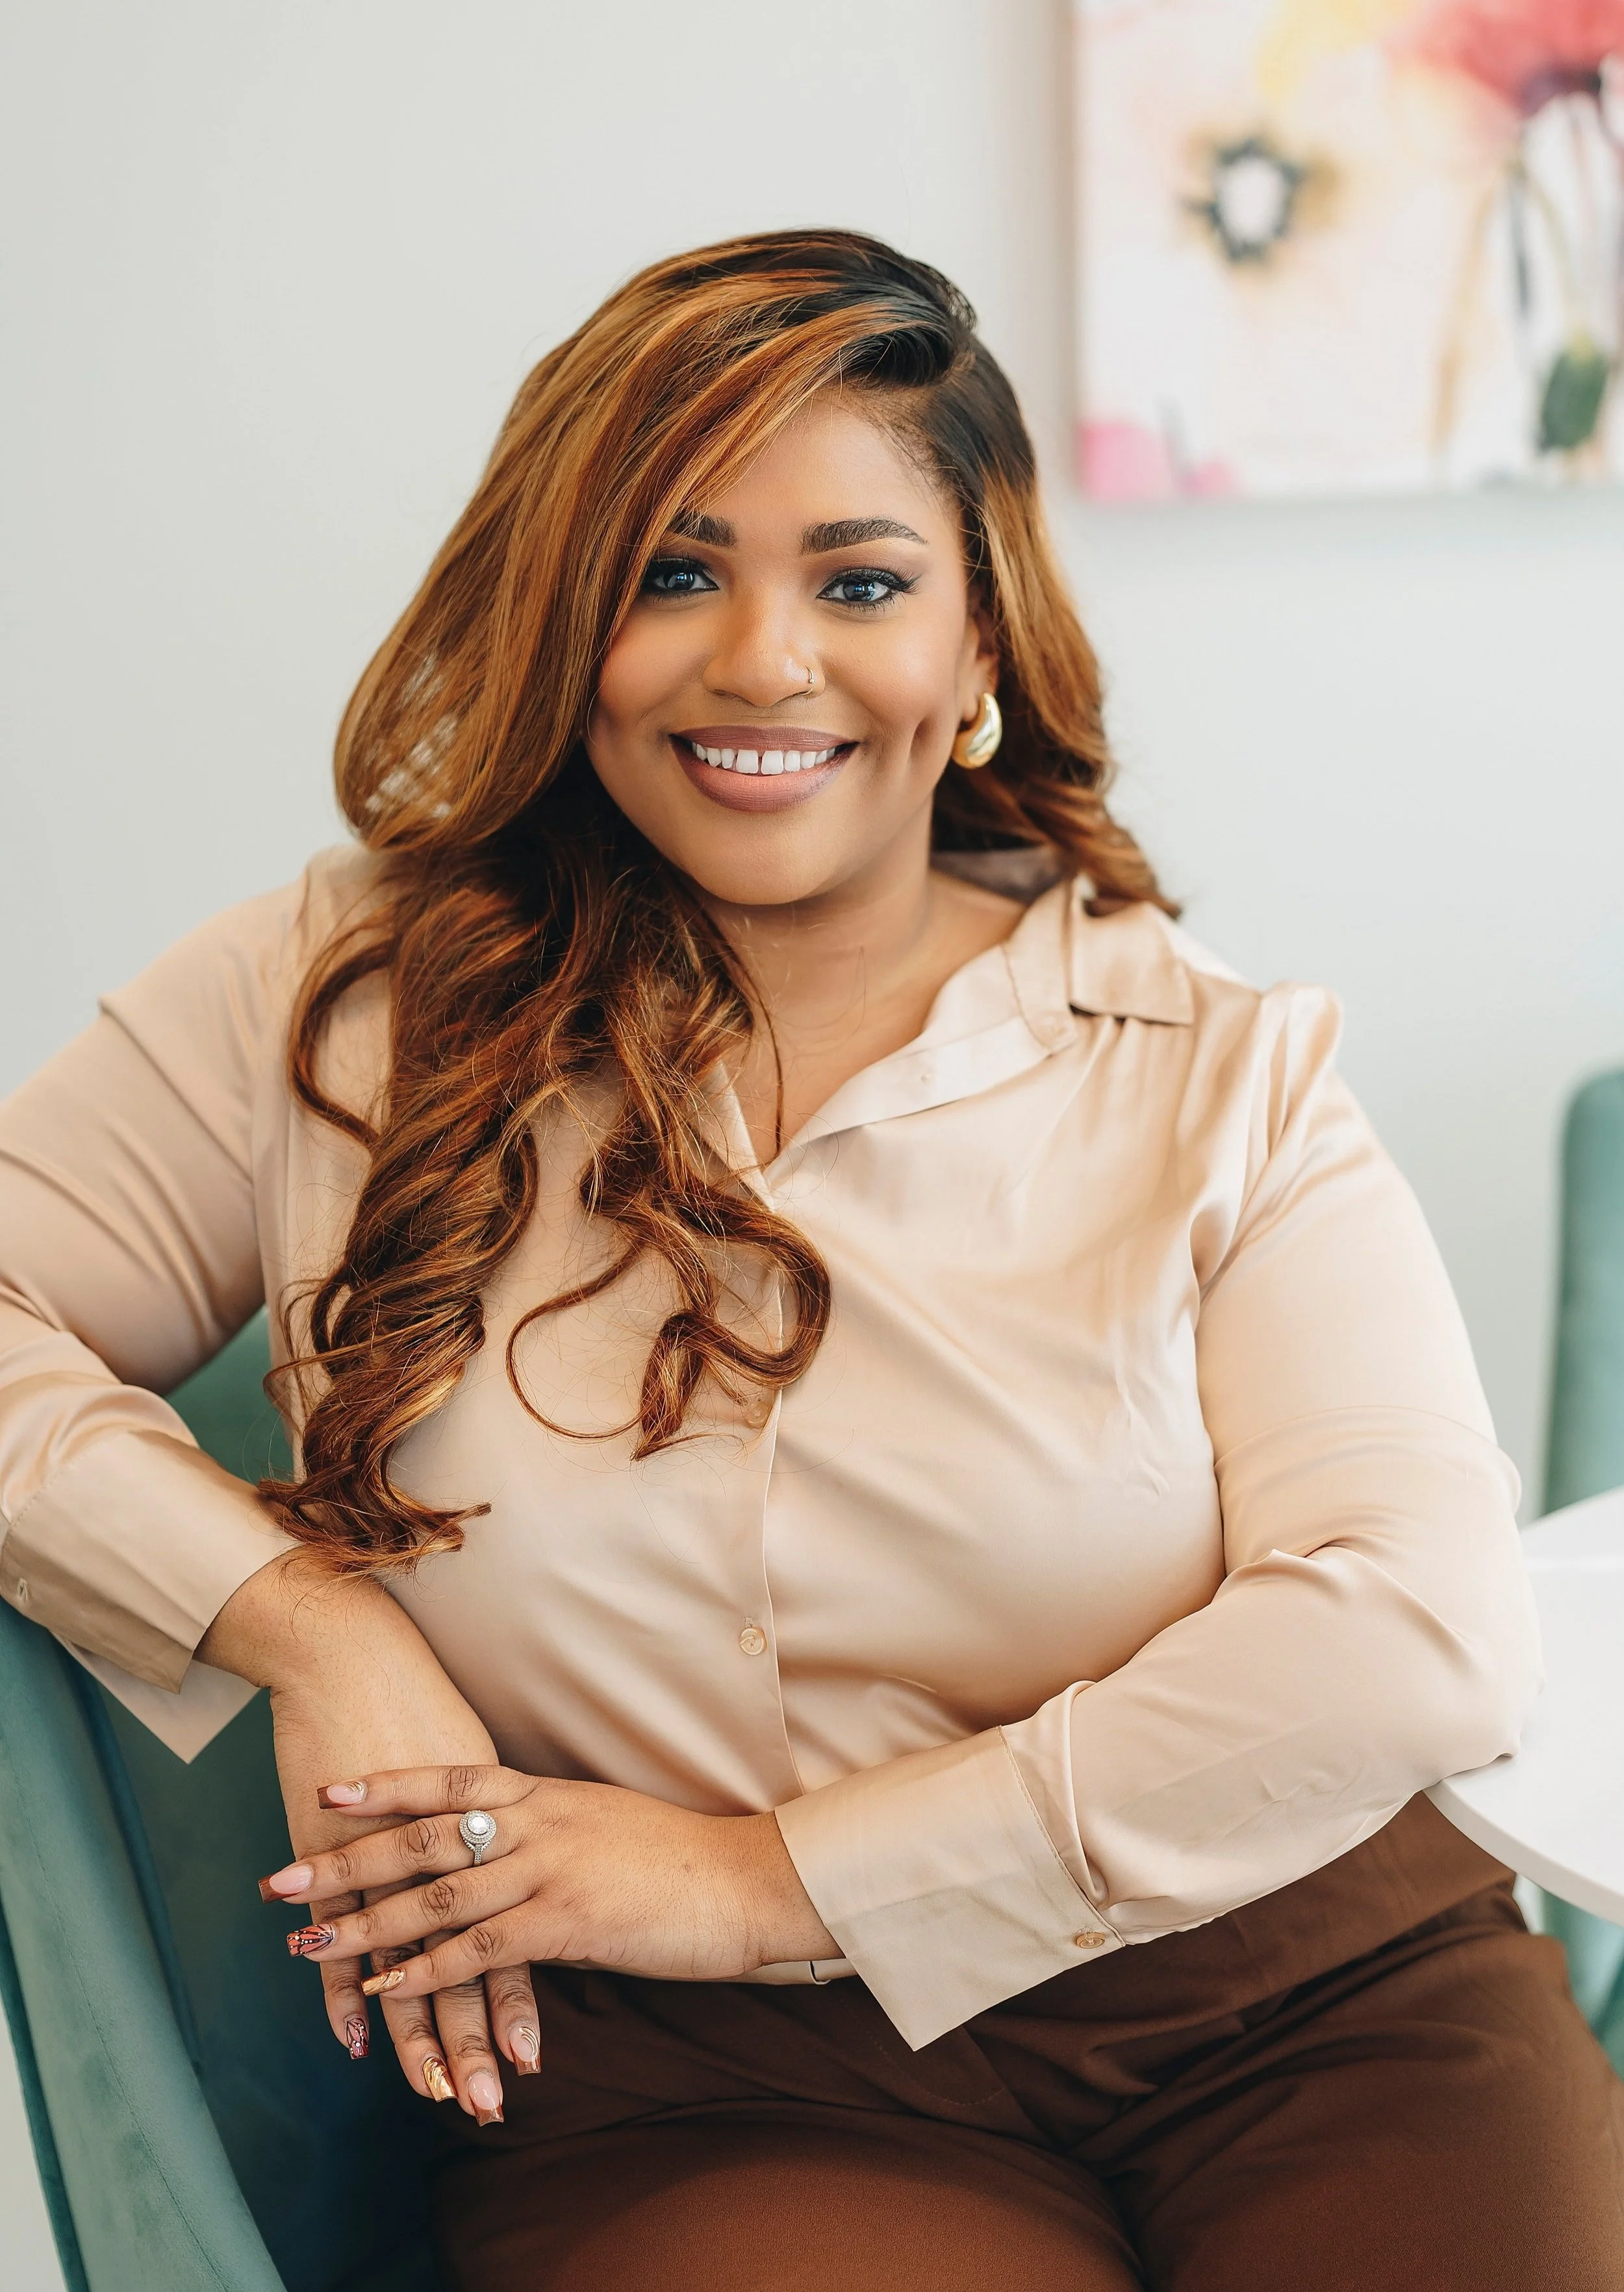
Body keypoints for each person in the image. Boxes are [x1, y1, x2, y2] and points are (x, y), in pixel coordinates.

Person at [1, 229, 1619, 2291]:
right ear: (564, 618)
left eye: (858, 580)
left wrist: (765, 1877)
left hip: (1302, 1999)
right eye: (674, 571)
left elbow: (1415, 1627)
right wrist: (305, 1619)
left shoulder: (1218, 1072)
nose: (763, 659)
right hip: (709, 2084)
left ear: (974, 654)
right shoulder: (335, 1002)